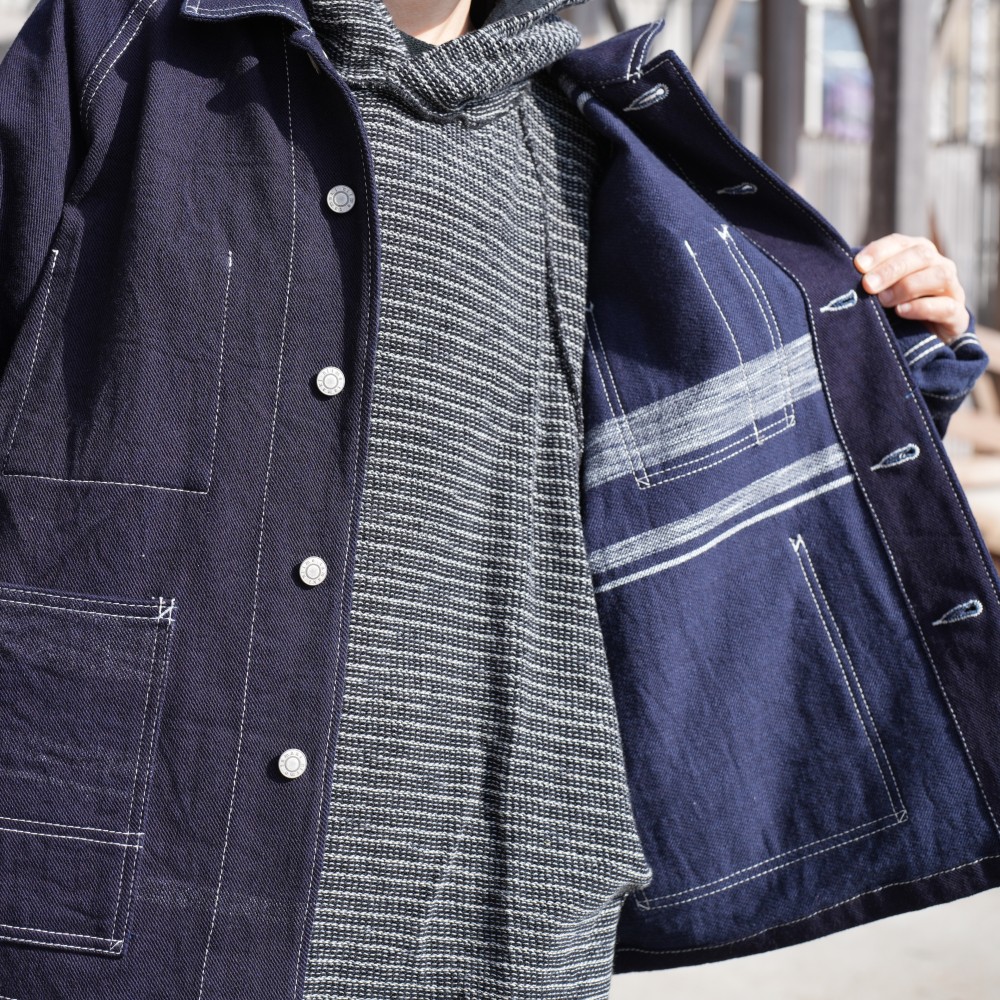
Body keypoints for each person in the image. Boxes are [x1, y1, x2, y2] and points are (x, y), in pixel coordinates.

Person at [0, 1, 992, 999]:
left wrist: (887, 352)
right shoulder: (127, 46)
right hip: (157, 885)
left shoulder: (597, 143)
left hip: (500, 908)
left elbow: (711, 478)